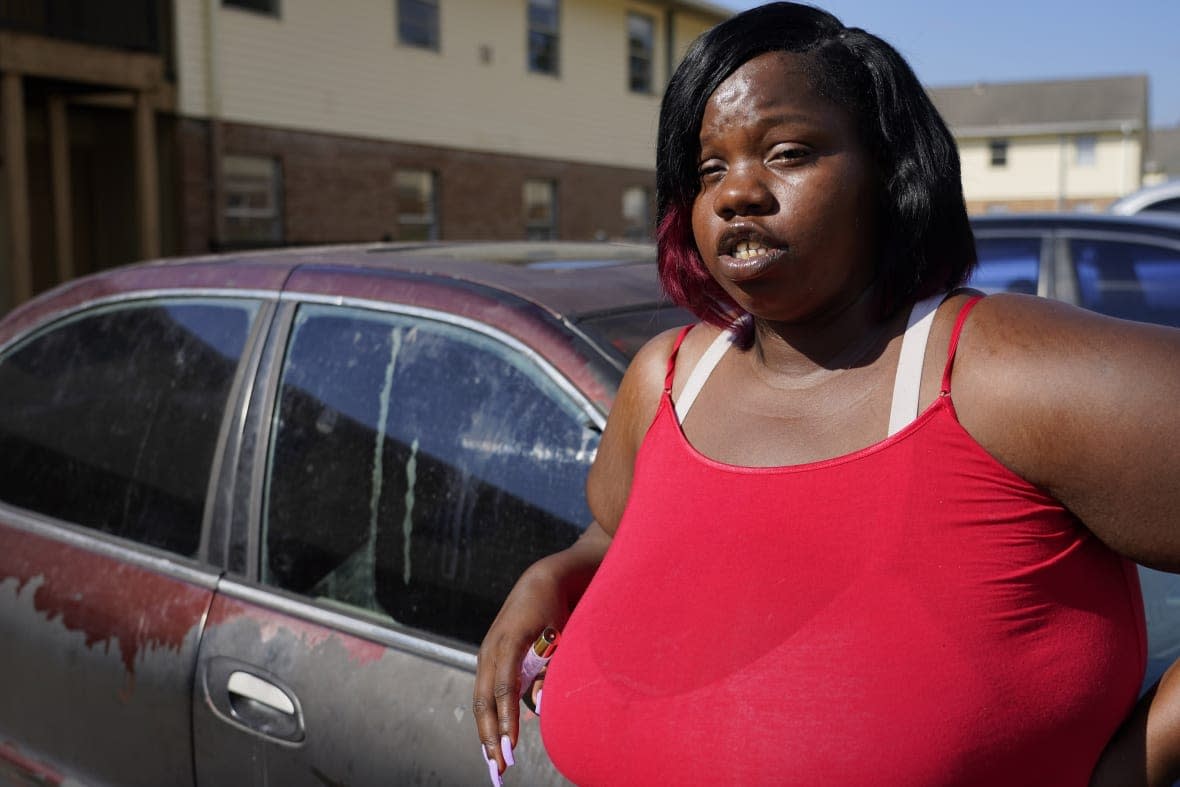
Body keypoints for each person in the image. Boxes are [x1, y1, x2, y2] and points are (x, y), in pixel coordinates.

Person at [473, 3, 1180, 784]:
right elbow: (612, 535)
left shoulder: (999, 373)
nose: (738, 192)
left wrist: (1137, 765)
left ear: (889, 172)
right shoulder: (667, 380)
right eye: (711, 169)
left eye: (787, 152)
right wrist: (554, 575)